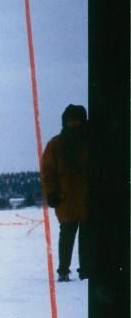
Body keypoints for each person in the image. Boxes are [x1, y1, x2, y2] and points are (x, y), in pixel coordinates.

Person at [41, 103, 91, 282]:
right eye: (70, 120)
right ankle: (63, 270)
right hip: (66, 199)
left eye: (76, 120)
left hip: (87, 198)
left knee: (87, 236)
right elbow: (48, 172)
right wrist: (52, 193)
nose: (73, 123)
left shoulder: (91, 142)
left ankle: (86, 270)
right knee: (68, 234)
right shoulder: (55, 145)